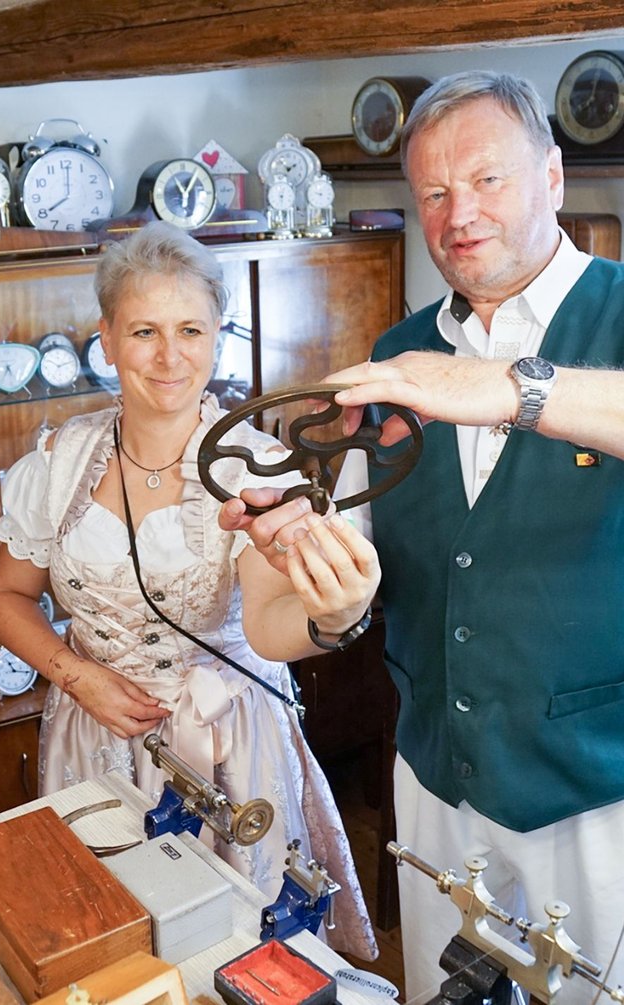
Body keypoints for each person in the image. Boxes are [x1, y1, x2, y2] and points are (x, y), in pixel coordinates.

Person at [223, 72, 624, 1004]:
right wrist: (317, 571)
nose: (458, 214)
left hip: (598, 797)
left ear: (555, 179)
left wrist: (501, 388)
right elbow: (325, 585)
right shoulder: (397, 355)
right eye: (435, 193)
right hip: (438, 788)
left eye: (487, 181)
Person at [0, 221, 381, 959]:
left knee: (247, 952)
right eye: (144, 330)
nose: (170, 356)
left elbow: (266, 629)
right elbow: (6, 596)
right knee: (118, 944)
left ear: (218, 335)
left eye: (191, 329)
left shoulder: (258, 469)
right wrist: (82, 678)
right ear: (106, 337)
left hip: (232, 742)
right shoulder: (59, 461)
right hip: (95, 735)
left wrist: (334, 616)